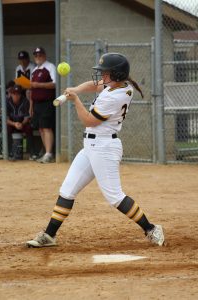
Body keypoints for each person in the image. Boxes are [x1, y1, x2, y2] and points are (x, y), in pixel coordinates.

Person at [26, 53, 165, 248]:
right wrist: (75, 89)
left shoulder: (115, 96)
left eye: (106, 73)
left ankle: (151, 229)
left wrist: (75, 100)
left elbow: (89, 120)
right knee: (67, 190)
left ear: (116, 75)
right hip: (91, 146)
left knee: (115, 196)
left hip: (105, 148)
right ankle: (49, 235)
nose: (102, 76)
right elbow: (95, 85)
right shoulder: (120, 86)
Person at [29, 47, 56, 163]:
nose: (38, 57)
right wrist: (31, 106)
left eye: (40, 55)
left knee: (46, 127)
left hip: (47, 102)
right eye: (36, 55)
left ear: (44, 56)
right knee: (40, 129)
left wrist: (38, 85)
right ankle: (46, 152)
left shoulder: (50, 67)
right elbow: (31, 89)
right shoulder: (34, 70)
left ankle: (49, 153)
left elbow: (54, 84)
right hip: (36, 104)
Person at [7, 84, 35, 160]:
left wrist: (21, 124)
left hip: (23, 123)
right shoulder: (7, 102)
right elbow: (6, 119)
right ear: (11, 94)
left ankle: (32, 153)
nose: (16, 96)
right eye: (14, 94)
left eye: (18, 94)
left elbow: (26, 117)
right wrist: (14, 124)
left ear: (20, 94)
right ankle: (9, 152)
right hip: (12, 124)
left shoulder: (25, 101)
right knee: (7, 128)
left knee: (29, 128)